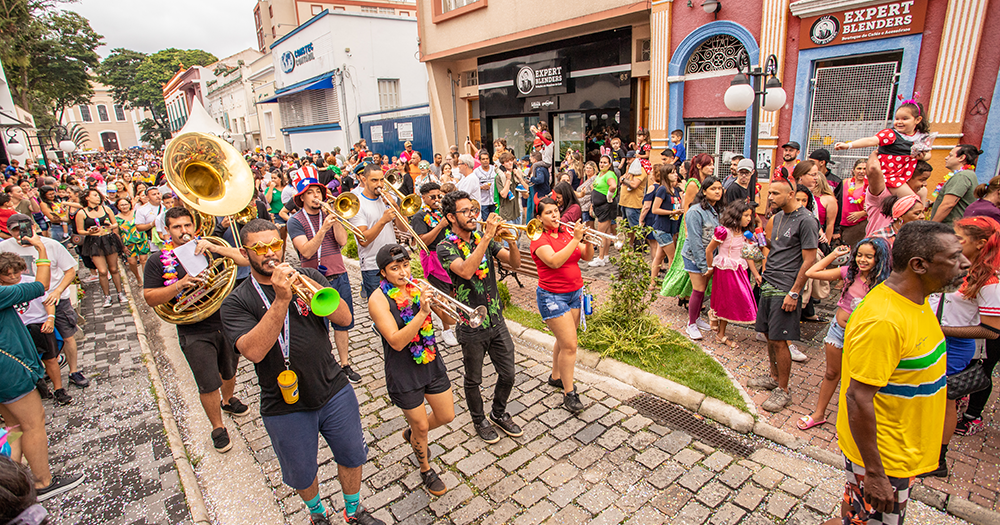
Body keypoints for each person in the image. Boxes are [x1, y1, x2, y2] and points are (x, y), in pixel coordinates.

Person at [220, 220, 383, 525]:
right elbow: (253, 351)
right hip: (283, 404)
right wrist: (282, 299)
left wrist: (313, 292)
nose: (270, 253)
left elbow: (344, 317)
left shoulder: (306, 275)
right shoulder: (236, 301)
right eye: (259, 248)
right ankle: (317, 515)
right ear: (245, 252)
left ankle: (353, 510)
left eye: (273, 245)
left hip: (333, 387)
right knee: (302, 472)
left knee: (353, 455)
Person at [836, 221, 967, 525]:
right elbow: (857, 397)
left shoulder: (917, 302)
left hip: (900, 453)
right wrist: (875, 473)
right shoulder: (883, 321)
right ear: (919, 265)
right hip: (883, 459)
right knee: (865, 521)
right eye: (954, 257)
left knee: (859, 517)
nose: (965, 264)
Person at [143, 207, 251, 453]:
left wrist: (216, 248)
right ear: (167, 231)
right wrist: (180, 285)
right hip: (193, 328)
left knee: (230, 367)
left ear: (194, 226)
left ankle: (228, 400)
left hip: (224, 321)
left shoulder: (209, 246)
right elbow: (150, 298)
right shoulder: (157, 260)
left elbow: (245, 260)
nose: (184, 231)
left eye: (187, 226)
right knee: (207, 381)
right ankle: (217, 426)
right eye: (177, 227)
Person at [0, 234, 84, 500]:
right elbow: (41, 285)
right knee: (33, 423)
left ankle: (13, 482)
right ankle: (42, 481)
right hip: (10, 370)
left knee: (12, 426)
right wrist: (40, 249)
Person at [368, 244, 454, 496]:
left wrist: (438, 304)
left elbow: (448, 322)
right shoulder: (378, 299)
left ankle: (413, 433)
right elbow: (395, 340)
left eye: (405, 265)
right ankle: (426, 469)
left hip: (430, 361)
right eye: (394, 268)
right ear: (383, 272)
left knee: (446, 415)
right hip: (403, 370)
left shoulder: (418, 286)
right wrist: (422, 313)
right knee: (423, 428)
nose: (403, 272)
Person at [437, 191, 522, 444]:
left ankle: (498, 412)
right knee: (474, 378)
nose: (473, 215)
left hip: (496, 318)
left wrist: (512, 240)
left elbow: (514, 263)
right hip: (471, 324)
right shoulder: (445, 247)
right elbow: (465, 270)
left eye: (473, 209)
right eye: (466, 211)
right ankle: (478, 418)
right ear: (451, 217)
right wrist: (486, 238)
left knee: (508, 374)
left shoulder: (481, 238)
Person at [922, 216, 1000, 478]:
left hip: (954, 347)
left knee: (944, 401)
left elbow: (991, 330)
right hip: (931, 338)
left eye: (959, 239)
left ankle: (937, 460)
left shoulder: (990, 282)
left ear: (980, 244)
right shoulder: (952, 266)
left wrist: (942, 330)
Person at [798, 238, 892, 431]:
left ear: (880, 258)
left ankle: (852, 424)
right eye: (859, 255)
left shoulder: (885, 284)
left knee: (856, 381)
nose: (862, 260)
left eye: (869, 256)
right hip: (838, 331)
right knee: (832, 373)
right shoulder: (849, 273)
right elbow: (811, 272)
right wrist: (834, 255)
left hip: (863, 336)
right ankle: (819, 413)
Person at [750, 175, 818, 412]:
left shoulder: (807, 221)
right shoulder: (777, 217)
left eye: (775, 194)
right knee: (769, 335)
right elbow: (773, 246)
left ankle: (784, 390)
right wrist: (758, 244)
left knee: (780, 340)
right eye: (769, 193)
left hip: (786, 287)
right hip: (769, 283)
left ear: (791, 194)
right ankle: (773, 378)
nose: (770, 197)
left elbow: (809, 260)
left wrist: (795, 292)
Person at [287, 169, 362, 384]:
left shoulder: (329, 215)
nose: (316, 196)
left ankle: (345, 364)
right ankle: (324, 364)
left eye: (318, 192)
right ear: (302, 197)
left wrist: (336, 219)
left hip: (338, 274)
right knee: (318, 326)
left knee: (342, 323)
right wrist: (322, 229)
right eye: (310, 193)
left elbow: (341, 242)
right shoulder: (296, 221)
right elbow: (306, 252)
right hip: (312, 280)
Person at [0, 216, 87, 389]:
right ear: (8, 231)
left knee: (67, 336)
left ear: (33, 226)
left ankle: (74, 371)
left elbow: (69, 271)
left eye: (23, 228)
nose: (20, 233)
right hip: (22, 303)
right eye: (15, 230)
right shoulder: (4, 247)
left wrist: (57, 291)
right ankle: (43, 375)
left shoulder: (51, 244)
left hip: (54, 298)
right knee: (35, 343)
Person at [530, 197, 593, 412]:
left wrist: (589, 239)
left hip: (574, 294)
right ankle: (569, 393)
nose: (555, 215)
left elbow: (587, 256)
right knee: (570, 345)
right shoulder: (538, 239)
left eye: (556, 211)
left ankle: (556, 376)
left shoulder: (566, 233)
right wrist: (576, 239)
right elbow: (555, 261)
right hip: (552, 297)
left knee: (564, 340)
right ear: (539, 218)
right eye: (548, 212)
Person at [1, 252, 71, 405]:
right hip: (18, 330)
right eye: (7, 275)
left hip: (38, 325)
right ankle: (38, 388)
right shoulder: (3, 291)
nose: (13, 277)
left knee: (50, 358)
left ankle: (59, 389)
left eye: (16, 272)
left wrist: (50, 318)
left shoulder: (30, 282)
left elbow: (47, 301)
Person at [834, 100, 933, 197]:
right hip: (890, 176)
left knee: (922, 193)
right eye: (897, 119)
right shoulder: (890, 134)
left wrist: (922, 157)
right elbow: (871, 140)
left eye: (905, 119)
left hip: (907, 175)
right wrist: (848, 145)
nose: (899, 122)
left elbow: (928, 154)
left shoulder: (921, 137)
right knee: (912, 200)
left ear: (917, 120)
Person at [660, 153, 714, 305]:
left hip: (702, 227)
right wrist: (688, 232)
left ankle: (690, 295)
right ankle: (684, 295)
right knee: (687, 262)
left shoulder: (706, 183)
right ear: (699, 166)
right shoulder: (693, 184)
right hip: (690, 227)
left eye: (712, 164)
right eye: (708, 164)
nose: (712, 167)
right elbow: (687, 209)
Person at [409, 182, 458, 347]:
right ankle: (446, 329)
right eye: (432, 197)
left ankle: (448, 317)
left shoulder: (443, 212)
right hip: (433, 257)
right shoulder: (419, 216)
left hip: (449, 254)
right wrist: (441, 225)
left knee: (452, 291)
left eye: (439, 196)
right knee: (442, 293)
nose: (437, 200)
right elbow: (422, 241)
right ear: (423, 197)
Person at [705, 200, 759, 347]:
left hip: (739, 270)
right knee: (726, 301)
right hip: (725, 271)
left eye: (750, 216)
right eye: (746, 215)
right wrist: (710, 268)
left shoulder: (745, 234)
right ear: (736, 215)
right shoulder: (724, 231)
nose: (749, 219)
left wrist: (756, 274)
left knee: (737, 300)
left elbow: (750, 256)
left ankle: (718, 326)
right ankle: (720, 333)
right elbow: (709, 250)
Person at [349, 164, 403, 300]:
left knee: (399, 306)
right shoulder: (357, 204)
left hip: (393, 260)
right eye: (374, 180)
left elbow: (404, 228)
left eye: (381, 180)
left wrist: (395, 206)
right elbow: (363, 240)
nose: (379, 184)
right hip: (373, 265)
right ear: (363, 179)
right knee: (379, 309)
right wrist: (383, 221)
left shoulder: (387, 199)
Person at [680, 177, 723, 340]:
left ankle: (697, 318)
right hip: (694, 256)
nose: (718, 191)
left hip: (709, 257)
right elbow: (695, 241)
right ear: (704, 191)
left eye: (719, 188)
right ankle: (691, 324)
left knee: (702, 289)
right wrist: (704, 265)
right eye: (713, 189)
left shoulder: (715, 209)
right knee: (698, 289)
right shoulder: (695, 211)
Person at [75, 189, 125, 307]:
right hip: (94, 242)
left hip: (108, 239)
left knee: (114, 269)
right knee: (102, 271)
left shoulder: (106, 209)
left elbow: (115, 223)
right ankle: (107, 296)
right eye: (95, 195)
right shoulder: (82, 213)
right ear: (87, 198)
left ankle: (120, 293)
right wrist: (89, 232)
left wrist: (109, 226)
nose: (98, 198)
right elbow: (79, 230)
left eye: (98, 195)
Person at [930, 145, 983, 225]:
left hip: (949, 229)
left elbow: (948, 204)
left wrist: (931, 226)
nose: (946, 158)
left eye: (950, 155)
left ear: (961, 158)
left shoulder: (962, 176)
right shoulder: (968, 174)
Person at [648, 164, 682, 289]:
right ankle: (670, 284)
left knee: (659, 256)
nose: (675, 175)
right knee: (672, 257)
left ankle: (652, 283)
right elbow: (655, 209)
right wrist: (672, 213)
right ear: (665, 175)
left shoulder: (676, 190)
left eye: (675, 172)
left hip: (671, 227)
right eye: (672, 173)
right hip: (662, 228)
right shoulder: (662, 189)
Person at [587, 155, 617, 267]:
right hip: (599, 206)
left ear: (609, 165)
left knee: (601, 233)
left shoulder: (609, 174)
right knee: (606, 233)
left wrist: (609, 197)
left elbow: (613, 186)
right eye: (600, 162)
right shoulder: (600, 174)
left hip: (605, 207)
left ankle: (600, 258)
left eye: (605, 162)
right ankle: (605, 256)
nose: (602, 164)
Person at [115, 197, 150, 285]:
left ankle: (146, 280)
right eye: (121, 205)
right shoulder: (116, 218)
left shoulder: (137, 213)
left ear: (130, 204)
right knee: (132, 262)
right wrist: (122, 246)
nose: (124, 206)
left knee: (143, 260)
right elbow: (117, 233)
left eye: (126, 204)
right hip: (128, 243)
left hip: (141, 239)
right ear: (118, 207)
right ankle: (138, 277)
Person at [839, 159, 869, 247]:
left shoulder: (870, 186)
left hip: (857, 224)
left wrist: (862, 213)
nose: (861, 171)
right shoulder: (845, 182)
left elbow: (876, 206)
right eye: (859, 168)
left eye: (865, 169)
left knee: (850, 249)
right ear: (854, 170)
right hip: (840, 223)